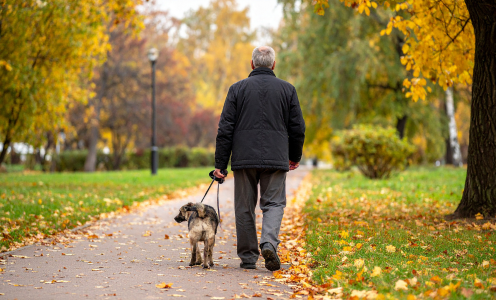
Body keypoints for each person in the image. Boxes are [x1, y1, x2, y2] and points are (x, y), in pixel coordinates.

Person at [213, 46, 305, 271]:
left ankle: (248, 257)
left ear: (252, 64)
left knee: (244, 206)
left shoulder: (237, 89)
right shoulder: (287, 89)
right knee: (273, 203)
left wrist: (220, 165)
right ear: (273, 65)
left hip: (244, 158)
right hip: (276, 157)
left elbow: (225, 128)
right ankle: (269, 243)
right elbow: (297, 127)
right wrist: (294, 156)